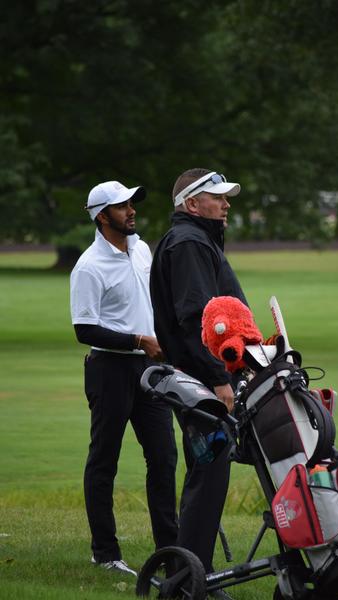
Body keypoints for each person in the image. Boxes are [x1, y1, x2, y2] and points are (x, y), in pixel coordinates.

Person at [70, 180, 178, 575]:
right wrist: (137, 340)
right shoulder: (88, 266)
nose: (131, 211)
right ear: (102, 216)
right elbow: (84, 329)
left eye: (132, 204)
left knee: (164, 457)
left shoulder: (142, 249)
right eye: (121, 206)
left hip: (150, 369)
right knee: (104, 460)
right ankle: (105, 554)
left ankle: (170, 550)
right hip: (109, 370)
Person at [150, 169, 247, 579]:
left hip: (199, 380)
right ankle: (190, 576)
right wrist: (219, 378)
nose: (226, 204)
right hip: (202, 384)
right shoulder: (189, 242)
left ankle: (191, 571)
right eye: (217, 197)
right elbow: (196, 320)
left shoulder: (196, 239)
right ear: (192, 204)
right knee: (209, 471)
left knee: (206, 469)